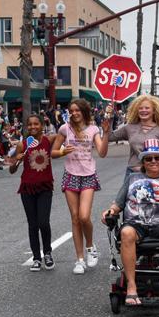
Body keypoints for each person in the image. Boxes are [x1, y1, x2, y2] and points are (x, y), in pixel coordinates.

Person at [101, 140, 159, 306]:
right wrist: (110, 212)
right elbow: (118, 204)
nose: (153, 161)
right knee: (126, 233)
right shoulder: (133, 178)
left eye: (158, 158)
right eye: (149, 159)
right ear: (143, 162)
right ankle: (132, 286)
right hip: (135, 223)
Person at [51, 98, 110, 274]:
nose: (74, 113)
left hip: (88, 175)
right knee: (75, 218)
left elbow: (102, 152)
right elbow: (53, 153)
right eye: (72, 110)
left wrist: (106, 133)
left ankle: (91, 248)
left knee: (84, 216)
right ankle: (79, 259)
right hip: (71, 175)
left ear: (84, 111)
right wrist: (62, 151)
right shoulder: (64, 129)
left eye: (77, 110)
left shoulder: (93, 129)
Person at [11, 115, 56, 272]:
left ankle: (48, 253)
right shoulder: (22, 145)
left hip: (44, 187)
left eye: (36, 124)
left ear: (41, 125)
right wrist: (17, 160)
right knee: (33, 224)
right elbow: (12, 169)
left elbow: (65, 134)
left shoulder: (48, 141)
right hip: (27, 188)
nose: (32, 127)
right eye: (29, 124)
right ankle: (36, 258)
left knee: (43, 222)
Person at [103, 95, 159, 179]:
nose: (143, 110)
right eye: (140, 108)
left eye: (147, 108)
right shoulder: (129, 127)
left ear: (154, 111)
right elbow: (109, 137)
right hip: (132, 174)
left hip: (154, 175)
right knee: (122, 193)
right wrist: (110, 118)